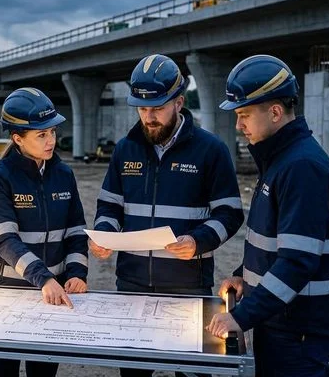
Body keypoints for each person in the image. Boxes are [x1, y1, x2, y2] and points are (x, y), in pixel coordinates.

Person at [90, 54, 244, 377]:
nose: (149, 118)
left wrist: (197, 241)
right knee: (133, 372)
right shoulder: (125, 150)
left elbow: (230, 213)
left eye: (157, 108)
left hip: (187, 289)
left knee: (190, 373)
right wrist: (104, 234)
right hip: (131, 286)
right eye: (142, 109)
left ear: (179, 102)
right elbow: (109, 206)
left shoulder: (210, 150)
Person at [207, 55, 329, 376]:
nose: (238, 126)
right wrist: (244, 274)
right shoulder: (280, 160)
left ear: (275, 112)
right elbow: (276, 240)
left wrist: (241, 317)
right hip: (282, 319)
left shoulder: (301, 168)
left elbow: (297, 262)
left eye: (244, 115)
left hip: (298, 327)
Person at [0, 87, 88, 377]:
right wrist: (44, 278)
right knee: (3, 371)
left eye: (52, 131)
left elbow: (77, 230)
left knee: (43, 371)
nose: (51, 140)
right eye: (41, 135)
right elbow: (5, 240)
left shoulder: (63, 174)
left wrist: (77, 272)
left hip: (51, 294)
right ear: (18, 138)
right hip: (5, 293)